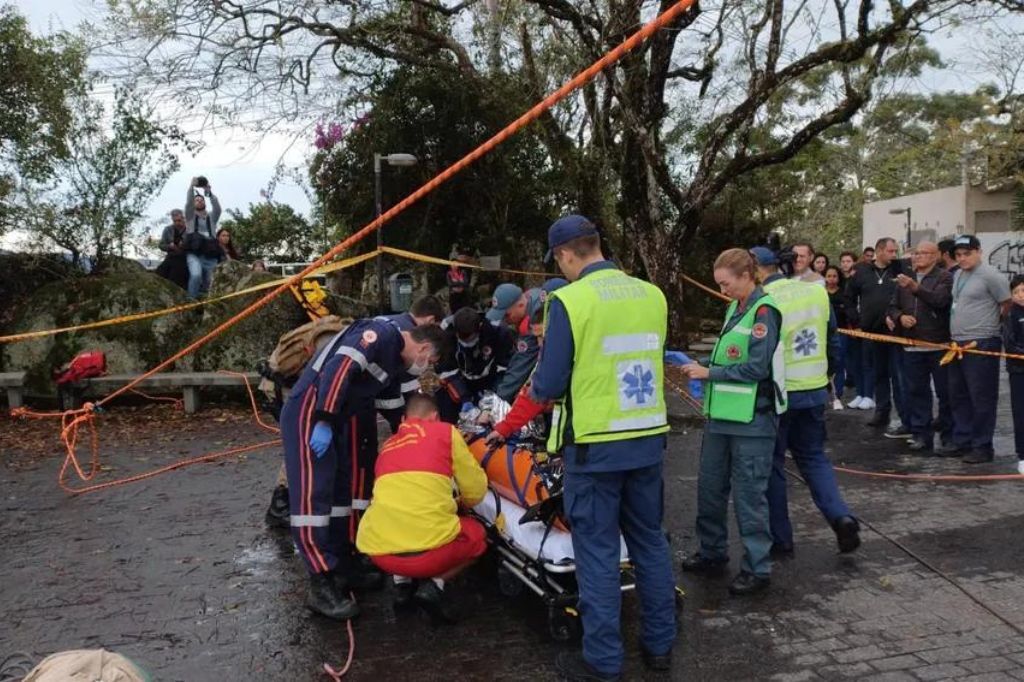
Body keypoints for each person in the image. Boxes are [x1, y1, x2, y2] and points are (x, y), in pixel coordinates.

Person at [530, 215, 675, 681]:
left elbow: (549, 383)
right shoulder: (652, 294)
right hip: (648, 440)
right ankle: (659, 646)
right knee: (650, 543)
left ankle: (603, 662)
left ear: (565, 255)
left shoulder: (569, 301)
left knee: (595, 554)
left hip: (594, 448)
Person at [281, 317, 446, 620]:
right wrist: (325, 419)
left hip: (337, 418)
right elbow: (339, 369)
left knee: (340, 493)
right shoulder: (380, 335)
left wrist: (411, 437)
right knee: (313, 496)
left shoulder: (394, 362)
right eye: (430, 360)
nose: (426, 366)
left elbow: (393, 405)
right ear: (423, 348)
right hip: (313, 411)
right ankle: (320, 581)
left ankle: (342, 562)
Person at [681, 248, 785, 595]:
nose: (722, 291)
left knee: (749, 495)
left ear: (745, 276)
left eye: (726, 284)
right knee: (709, 489)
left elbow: (757, 368)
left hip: (753, 420)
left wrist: (709, 372)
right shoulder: (733, 308)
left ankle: (758, 567)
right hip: (720, 418)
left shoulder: (764, 312)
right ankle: (712, 552)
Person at [755, 248, 860, 558]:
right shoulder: (816, 293)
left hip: (779, 395)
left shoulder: (763, 299)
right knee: (813, 458)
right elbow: (834, 342)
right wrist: (826, 376)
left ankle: (781, 539)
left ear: (757, 270)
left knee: (773, 466)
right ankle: (840, 516)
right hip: (814, 391)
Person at [356, 393, 488, 622]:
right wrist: (459, 505)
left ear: (404, 419)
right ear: (435, 417)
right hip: (428, 558)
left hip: (380, 554)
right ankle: (434, 585)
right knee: (478, 537)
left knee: (398, 517)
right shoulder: (445, 432)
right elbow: (476, 490)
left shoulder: (387, 445)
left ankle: (402, 585)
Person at [945, 235, 1011, 463]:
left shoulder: (991, 276)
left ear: (978, 252)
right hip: (958, 343)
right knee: (959, 394)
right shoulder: (959, 275)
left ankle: (983, 446)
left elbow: (1006, 303)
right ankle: (963, 440)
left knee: (981, 396)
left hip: (982, 342)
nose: (962, 258)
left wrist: (992, 327)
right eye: (958, 255)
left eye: (967, 253)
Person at [885, 241, 953, 453]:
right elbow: (892, 306)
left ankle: (948, 437)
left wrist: (914, 288)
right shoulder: (905, 279)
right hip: (912, 346)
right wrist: (900, 317)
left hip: (938, 344)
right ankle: (921, 435)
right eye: (915, 253)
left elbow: (940, 301)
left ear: (935, 256)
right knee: (916, 392)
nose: (917, 257)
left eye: (923, 253)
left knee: (945, 393)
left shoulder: (944, 277)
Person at [844, 237, 909, 433]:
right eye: (890, 251)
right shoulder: (862, 271)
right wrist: (856, 320)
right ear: (880, 251)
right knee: (879, 373)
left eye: (895, 251)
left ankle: (906, 418)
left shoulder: (900, 269)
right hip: (871, 332)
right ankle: (882, 411)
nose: (893, 255)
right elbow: (849, 297)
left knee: (899, 376)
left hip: (895, 331)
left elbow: (908, 293)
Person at [494, 278, 567, 403]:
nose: (505, 320)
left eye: (507, 315)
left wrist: (498, 399)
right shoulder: (532, 296)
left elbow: (522, 364)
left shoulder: (536, 318)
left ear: (521, 305)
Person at [449, 306, 514, 400]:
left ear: (479, 327)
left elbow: (506, 367)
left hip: (492, 380)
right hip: (463, 383)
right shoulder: (448, 335)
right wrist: (464, 398)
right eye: (462, 340)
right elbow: (449, 370)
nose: (467, 343)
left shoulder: (497, 334)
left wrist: (496, 394)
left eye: (470, 339)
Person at [183, 176, 223, 299]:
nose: (200, 201)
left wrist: (209, 192)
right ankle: (191, 301)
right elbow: (189, 202)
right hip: (194, 253)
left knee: (211, 282)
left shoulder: (212, 217)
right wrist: (191, 186)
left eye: (201, 200)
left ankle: (207, 305)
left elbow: (218, 208)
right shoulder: (190, 216)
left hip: (210, 254)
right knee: (196, 275)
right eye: (197, 200)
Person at [1002, 275, 1024, 475]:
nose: (1020, 296)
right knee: (1021, 413)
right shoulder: (1010, 314)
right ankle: (1022, 455)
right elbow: (1010, 344)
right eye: (1015, 292)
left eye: (1023, 291)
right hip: (1019, 371)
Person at [824, 265, 848, 410]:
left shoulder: (844, 293)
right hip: (823, 333)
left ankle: (837, 394)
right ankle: (826, 393)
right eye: (829, 276)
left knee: (839, 363)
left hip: (842, 332)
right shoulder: (820, 293)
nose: (831, 279)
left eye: (834, 276)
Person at [156, 209, 190, 291]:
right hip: (171, 257)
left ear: (183, 218)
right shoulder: (167, 230)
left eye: (179, 220)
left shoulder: (190, 230)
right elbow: (161, 245)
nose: (177, 223)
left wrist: (184, 245)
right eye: (174, 221)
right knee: (158, 274)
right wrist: (169, 246)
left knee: (175, 276)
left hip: (185, 259)